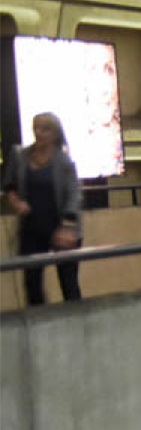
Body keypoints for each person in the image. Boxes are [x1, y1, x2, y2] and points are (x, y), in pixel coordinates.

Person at [4, 112, 83, 304]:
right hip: (32, 228)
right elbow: (9, 186)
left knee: (68, 282)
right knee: (32, 284)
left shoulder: (64, 162)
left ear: (55, 134)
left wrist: (68, 226)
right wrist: (16, 202)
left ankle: (76, 322)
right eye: (36, 127)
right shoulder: (21, 156)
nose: (38, 133)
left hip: (61, 227)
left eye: (44, 129)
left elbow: (74, 194)